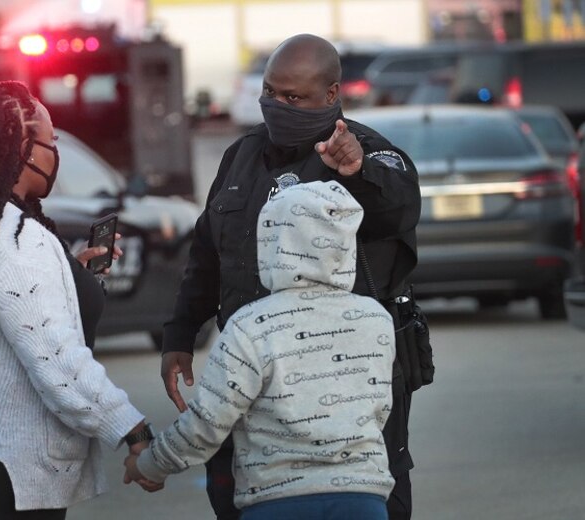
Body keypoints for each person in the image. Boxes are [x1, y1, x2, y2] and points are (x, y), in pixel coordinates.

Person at [160, 34, 421, 520]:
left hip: (348, 391)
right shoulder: (241, 156)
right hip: (257, 381)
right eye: (270, 93)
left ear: (331, 94)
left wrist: (357, 172)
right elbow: (207, 251)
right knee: (241, 496)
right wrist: (180, 332)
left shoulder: (365, 152)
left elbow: (400, 209)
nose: (277, 106)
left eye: (293, 97)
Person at [0, 80, 159, 520]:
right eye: (51, 140)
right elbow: (57, 362)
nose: (55, 151)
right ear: (23, 149)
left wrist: (72, 278)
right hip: (9, 458)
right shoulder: (13, 237)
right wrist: (132, 428)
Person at [126, 180, 396, 519]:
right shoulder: (375, 319)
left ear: (272, 240)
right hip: (363, 499)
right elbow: (378, 409)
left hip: (276, 500)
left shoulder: (251, 325)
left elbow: (208, 423)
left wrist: (150, 465)